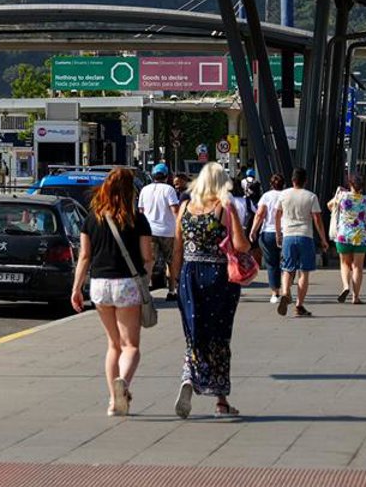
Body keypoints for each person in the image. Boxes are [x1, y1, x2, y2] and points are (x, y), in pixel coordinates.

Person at [70, 165, 155, 417]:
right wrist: (146, 277)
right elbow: (147, 257)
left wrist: (76, 288)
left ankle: (113, 401)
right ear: (131, 191)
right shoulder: (137, 219)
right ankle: (123, 384)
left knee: (113, 345)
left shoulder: (92, 218)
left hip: (99, 285)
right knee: (131, 346)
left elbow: (84, 256)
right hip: (127, 284)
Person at [169, 162, 248, 418]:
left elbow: (177, 248)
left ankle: (188, 378)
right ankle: (221, 402)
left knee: (194, 333)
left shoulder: (185, 208)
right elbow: (242, 245)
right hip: (219, 277)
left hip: (189, 276)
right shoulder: (223, 208)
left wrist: (175, 281)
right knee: (219, 337)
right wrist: (234, 217)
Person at [275, 167, 327, 317]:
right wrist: (323, 239)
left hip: (288, 236)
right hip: (305, 236)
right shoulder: (311, 197)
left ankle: (285, 292)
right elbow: (317, 219)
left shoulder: (284, 195)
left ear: (292, 180)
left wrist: (278, 234)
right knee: (304, 272)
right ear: (306, 181)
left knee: (287, 268)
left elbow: (277, 215)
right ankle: (299, 305)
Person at [138, 163, 183, 301]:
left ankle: (145, 291)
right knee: (171, 261)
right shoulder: (169, 190)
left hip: (149, 231)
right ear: (166, 176)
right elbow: (175, 210)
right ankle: (172, 291)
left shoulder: (145, 190)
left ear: (153, 175)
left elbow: (141, 211)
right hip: (168, 231)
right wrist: (181, 228)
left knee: (149, 261)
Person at [327, 171, 366, 304]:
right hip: (361, 236)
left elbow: (329, 206)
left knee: (345, 263)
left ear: (350, 184)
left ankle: (346, 286)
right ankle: (355, 297)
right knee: (358, 267)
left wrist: (338, 194)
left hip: (343, 236)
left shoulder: (342, 196)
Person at [247, 172, 287, 302]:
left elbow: (260, 214)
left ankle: (275, 293)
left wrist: (253, 231)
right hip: (286, 232)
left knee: (272, 264)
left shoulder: (266, 196)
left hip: (268, 233)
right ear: (284, 184)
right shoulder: (287, 195)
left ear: (271, 184)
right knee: (287, 263)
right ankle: (286, 290)